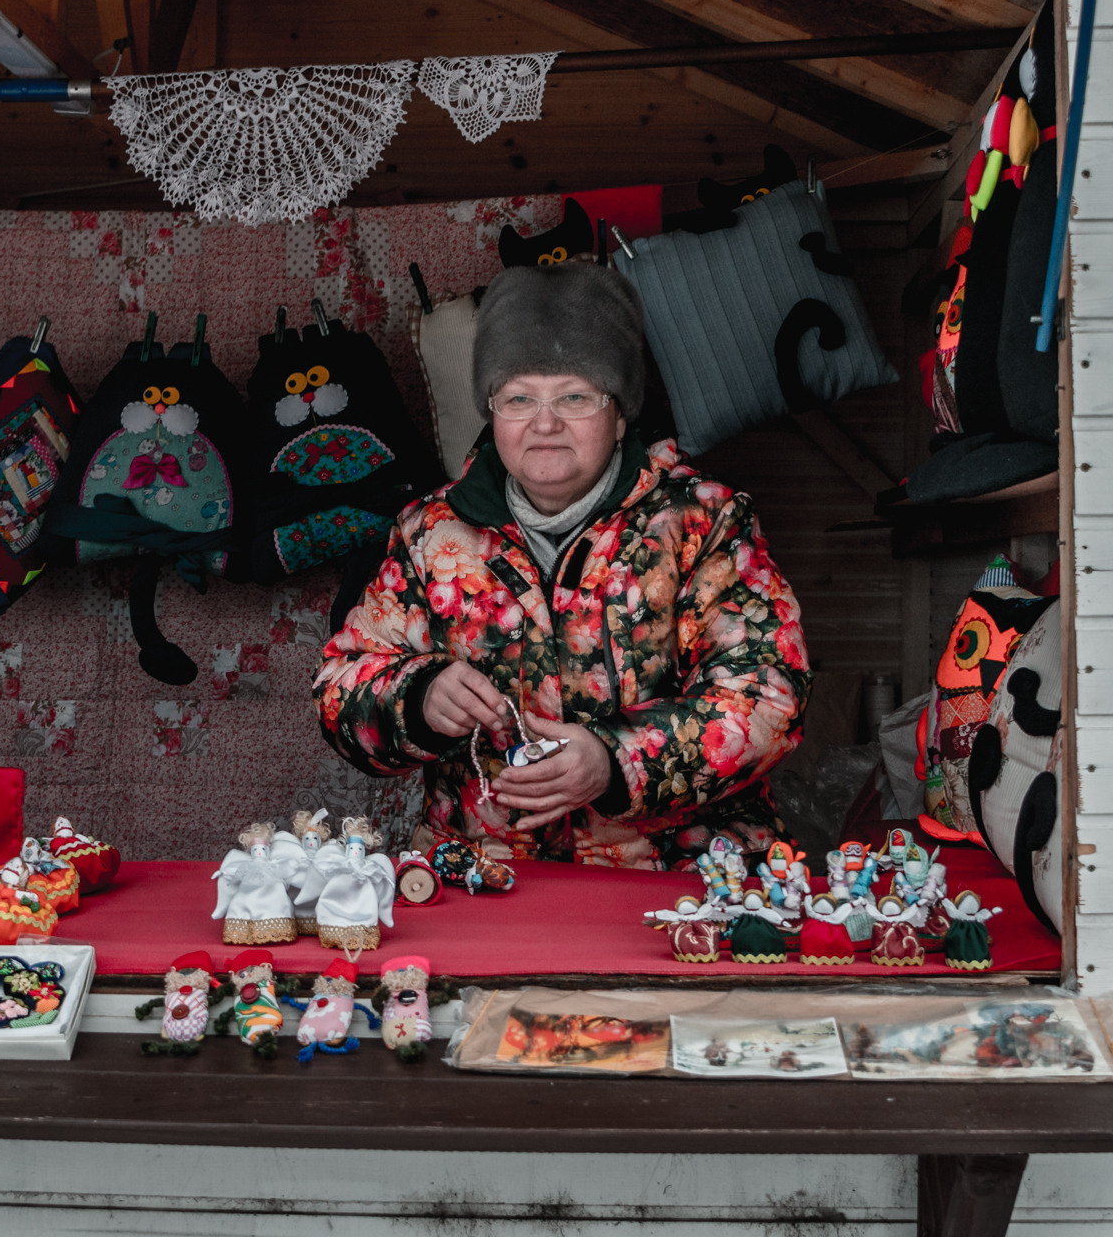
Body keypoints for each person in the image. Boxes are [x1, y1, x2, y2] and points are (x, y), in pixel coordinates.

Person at [315, 260, 809, 869]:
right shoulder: (430, 534)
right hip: (483, 878)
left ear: (621, 412)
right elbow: (340, 685)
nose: (544, 424)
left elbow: (768, 695)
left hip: (678, 881)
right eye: (519, 398)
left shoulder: (702, 523)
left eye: (574, 396)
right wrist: (417, 699)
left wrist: (616, 761)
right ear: (492, 410)